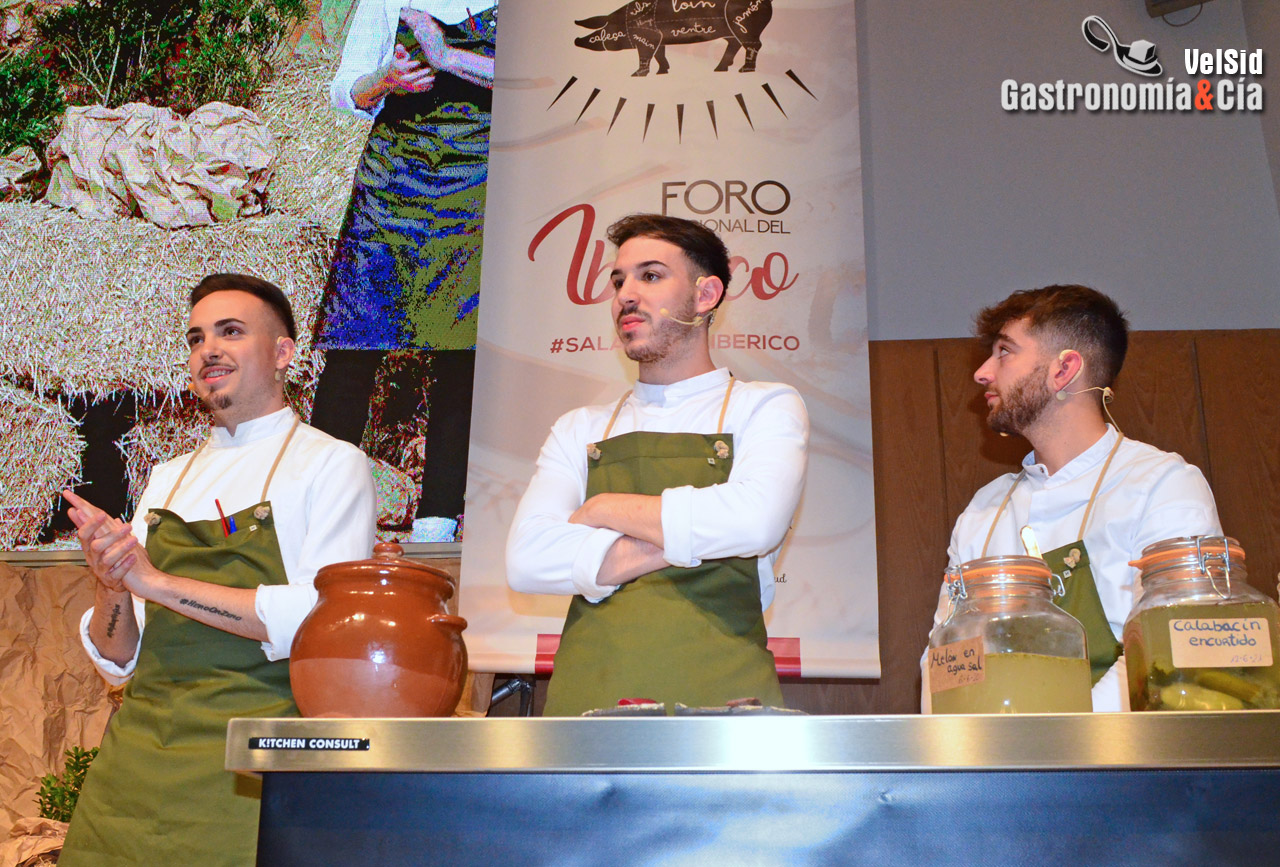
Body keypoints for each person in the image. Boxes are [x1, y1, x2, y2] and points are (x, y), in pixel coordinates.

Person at [58, 274, 377, 865]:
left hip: (253, 763)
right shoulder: (166, 478)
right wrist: (113, 585)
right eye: (197, 336)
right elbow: (123, 657)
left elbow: (320, 619)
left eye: (231, 331)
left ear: (283, 353)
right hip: (138, 761)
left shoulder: (332, 464)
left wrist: (155, 580)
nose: (209, 349)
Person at [506, 214, 809, 716]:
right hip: (589, 704)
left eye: (650, 276)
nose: (626, 294)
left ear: (707, 295)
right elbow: (527, 559)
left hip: (727, 705)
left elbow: (755, 521)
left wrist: (604, 507)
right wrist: (698, 536)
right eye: (619, 280)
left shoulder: (765, 405)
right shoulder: (581, 427)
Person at [924, 284, 1221, 713]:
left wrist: (1053, 748)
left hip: (1120, 767)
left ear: (1064, 370)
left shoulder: (1162, 485)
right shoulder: (985, 509)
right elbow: (943, 661)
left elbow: (1169, 650)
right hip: (986, 766)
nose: (983, 372)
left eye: (1005, 351)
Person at [323, 0, 496, 349]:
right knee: (357, 344)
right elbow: (345, 89)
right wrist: (384, 79)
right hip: (391, 182)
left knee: (459, 347)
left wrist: (448, 57)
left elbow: (545, 78)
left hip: (478, 183)